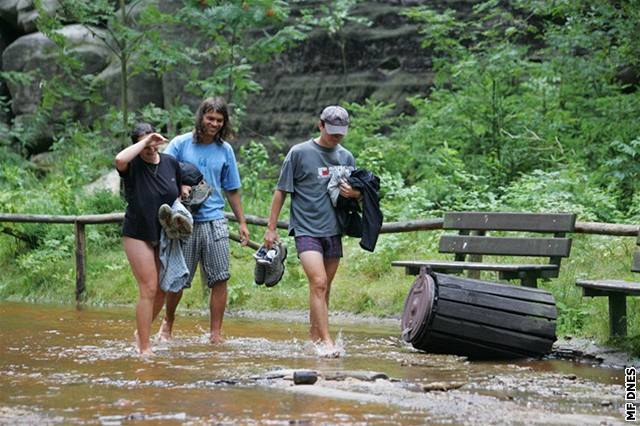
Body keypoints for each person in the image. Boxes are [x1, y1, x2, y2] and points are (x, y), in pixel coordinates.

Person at [263, 105, 361, 355]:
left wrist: (355, 194)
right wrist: (271, 229)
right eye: (332, 131)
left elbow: (356, 196)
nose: (336, 137)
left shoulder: (346, 157)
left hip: (334, 230)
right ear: (320, 125)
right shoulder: (299, 153)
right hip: (307, 229)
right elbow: (281, 191)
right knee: (318, 282)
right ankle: (328, 343)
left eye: (341, 133)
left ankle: (314, 340)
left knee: (323, 288)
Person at [161, 97, 250, 344]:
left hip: (215, 219)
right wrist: (180, 185)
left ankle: (216, 333)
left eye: (219, 120)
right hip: (184, 220)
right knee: (179, 277)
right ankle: (168, 323)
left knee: (220, 277)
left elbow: (232, 189)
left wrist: (242, 223)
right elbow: (162, 171)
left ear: (224, 123)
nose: (214, 124)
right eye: (210, 118)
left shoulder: (225, 150)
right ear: (200, 117)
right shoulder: (180, 144)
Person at [115, 123, 183, 356]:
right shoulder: (132, 165)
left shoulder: (170, 163)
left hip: (162, 233)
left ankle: (140, 332)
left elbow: (180, 183)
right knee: (149, 287)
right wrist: (143, 142)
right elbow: (119, 160)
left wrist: (184, 189)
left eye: (154, 142)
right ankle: (144, 347)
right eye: (146, 143)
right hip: (137, 232)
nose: (151, 147)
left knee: (162, 289)